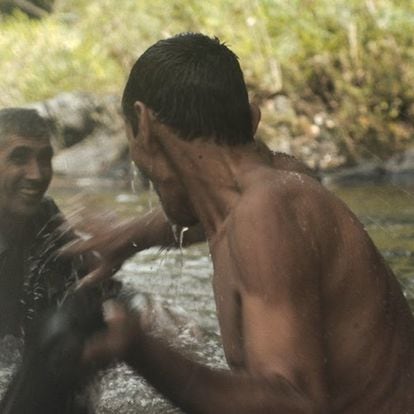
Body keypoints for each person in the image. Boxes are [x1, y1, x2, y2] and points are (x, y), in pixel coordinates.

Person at [68, 33, 414, 413]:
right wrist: (130, 236)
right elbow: (206, 211)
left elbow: (295, 405)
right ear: (251, 118)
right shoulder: (280, 184)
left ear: (144, 123)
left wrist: (140, 348)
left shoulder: (266, 213)